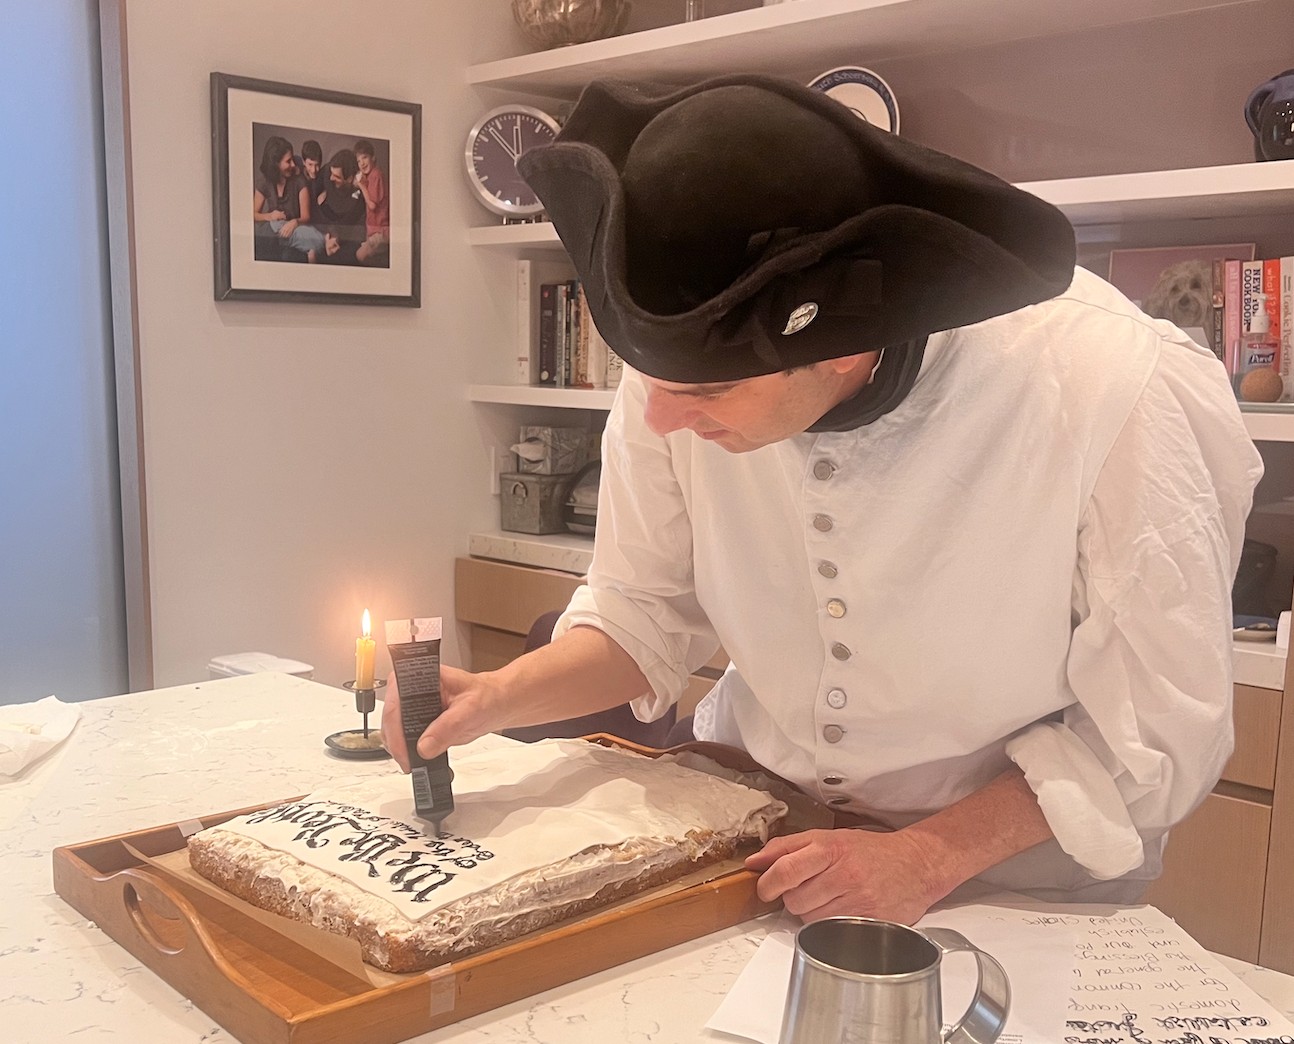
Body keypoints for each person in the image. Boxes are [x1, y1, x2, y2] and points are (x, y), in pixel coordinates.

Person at [382, 76, 1264, 925]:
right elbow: (640, 614)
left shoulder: (1110, 388)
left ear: (841, 351)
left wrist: (925, 856)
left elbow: (1152, 732)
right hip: (758, 829)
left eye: (707, 396)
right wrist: (497, 697)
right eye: (645, 381)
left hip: (1013, 883)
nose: (660, 417)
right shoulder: (682, 373)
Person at [253, 135, 325, 263]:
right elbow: (253, 215)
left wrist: (294, 223)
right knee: (269, 230)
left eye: (292, 160)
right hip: (273, 230)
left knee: (296, 249)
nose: (292, 164)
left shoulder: (298, 180)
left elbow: (306, 216)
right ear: (275, 163)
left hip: (294, 229)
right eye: (288, 161)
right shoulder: (264, 182)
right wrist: (269, 216)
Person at [314, 148, 367, 265]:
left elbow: (347, 223)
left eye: (337, 177)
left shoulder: (358, 197)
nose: (331, 178)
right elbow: (312, 197)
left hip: (344, 235)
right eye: (331, 174)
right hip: (322, 227)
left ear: (349, 179)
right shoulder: (327, 172)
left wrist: (333, 237)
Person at [353, 138, 389, 266]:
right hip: (373, 230)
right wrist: (359, 183)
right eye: (358, 161)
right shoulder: (369, 176)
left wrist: (362, 186)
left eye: (365, 158)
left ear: (373, 157)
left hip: (381, 231)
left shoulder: (376, 175)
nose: (362, 163)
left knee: (360, 255)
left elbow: (372, 205)